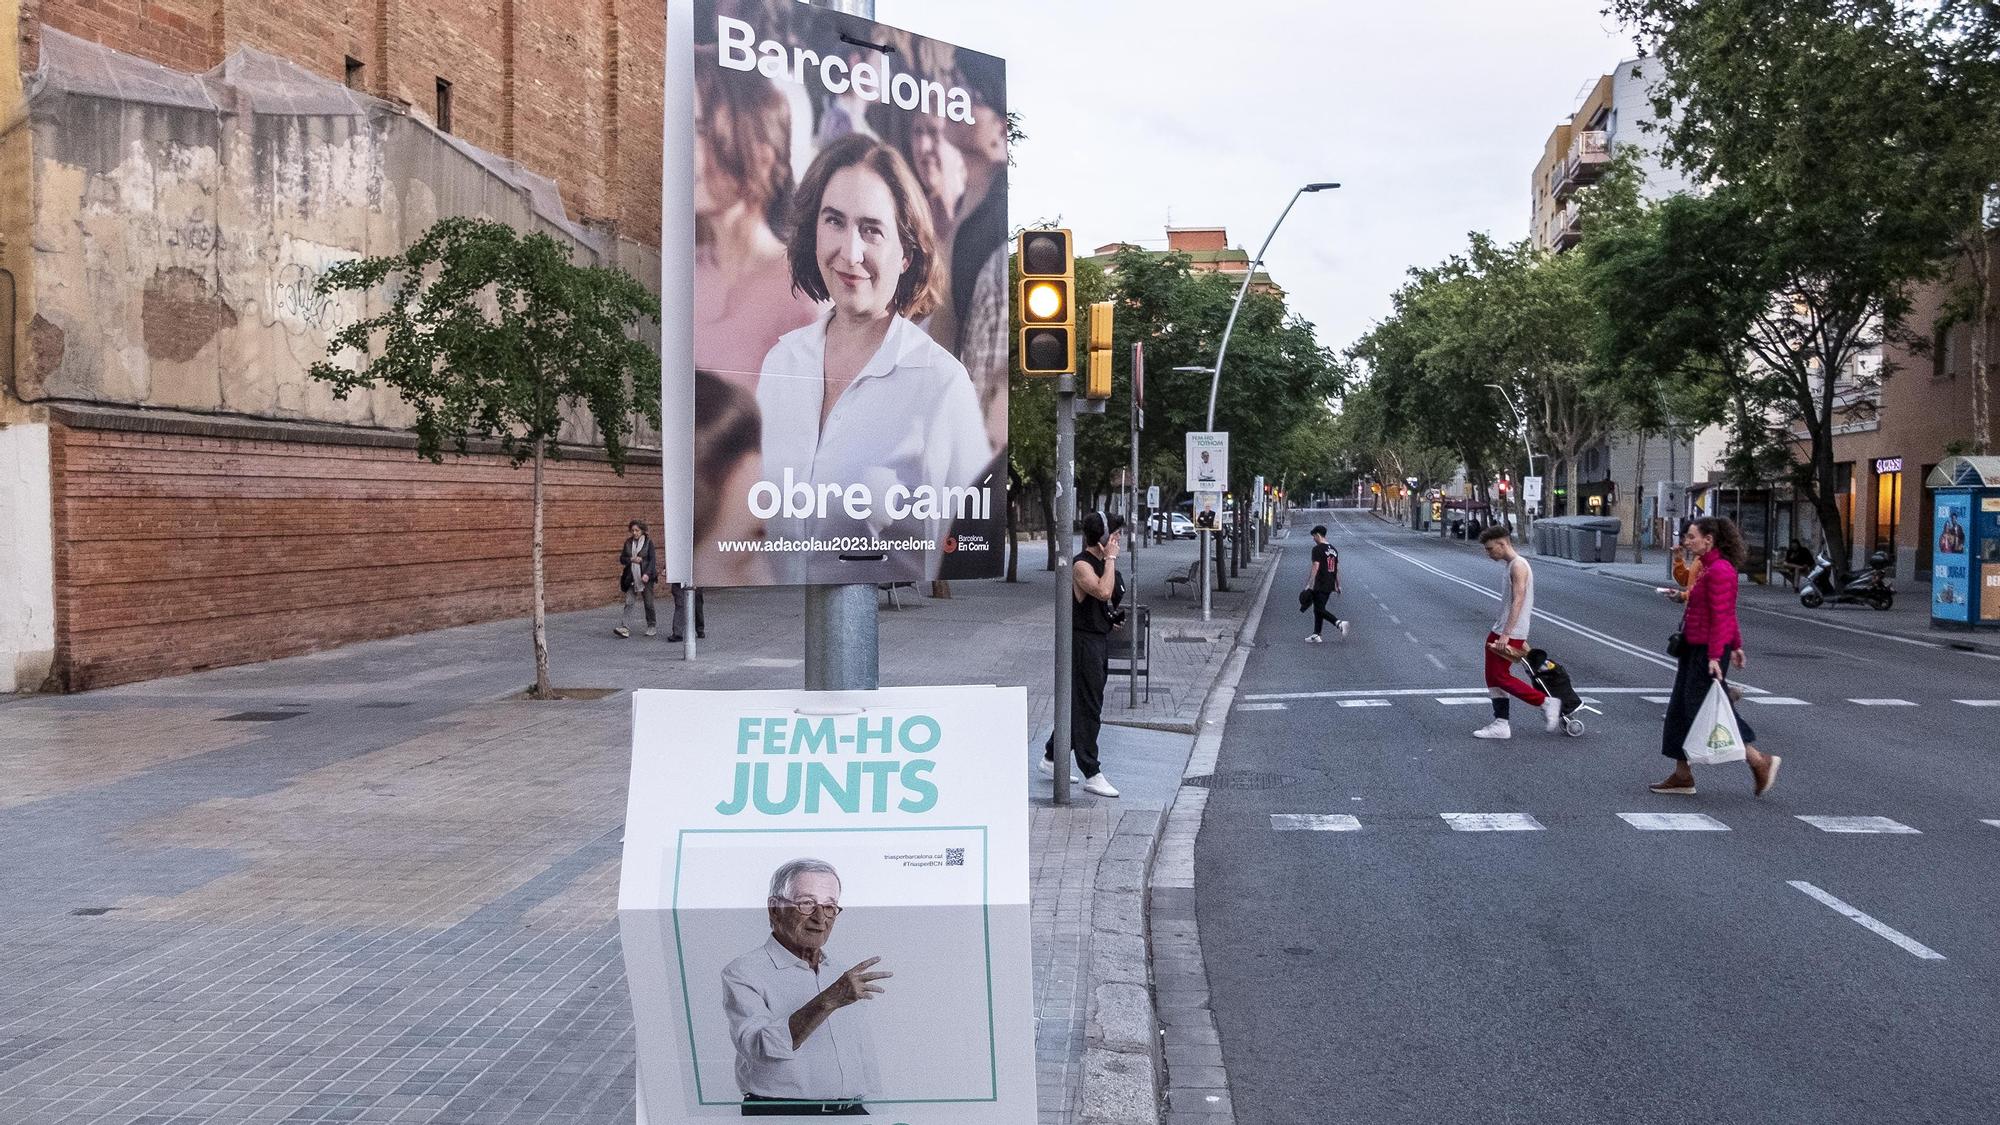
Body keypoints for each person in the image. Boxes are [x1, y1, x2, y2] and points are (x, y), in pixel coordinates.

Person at [756, 134, 992, 585]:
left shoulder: (941, 383)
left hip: (895, 631)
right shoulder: (780, 363)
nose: (850, 253)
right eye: (834, 221)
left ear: (906, 253)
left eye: (871, 229)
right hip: (780, 619)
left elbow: (967, 540)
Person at [693, 48, 822, 389]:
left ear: (760, 152)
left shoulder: (801, 294)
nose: (687, 150)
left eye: (700, 129)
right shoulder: (687, 273)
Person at [721, 859, 886, 1117]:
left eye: (830, 906)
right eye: (806, 903)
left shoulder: (840, 972)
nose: (820, 918)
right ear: (774, 909)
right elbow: (759, 1048)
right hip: (783, 1115)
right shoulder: (743, 971)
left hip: (852, 1112)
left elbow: (861, 1056)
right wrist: (828, 1000)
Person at [1653, 517, 1782, 796]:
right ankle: (1682, 775)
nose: (1687, 542)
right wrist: (1736, 645)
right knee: (1679, 709)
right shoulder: (1708, 568)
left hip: (1705, 651)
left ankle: (1759, 761)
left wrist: (1717, 654)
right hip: (1693, 647)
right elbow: (1724, 612)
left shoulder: (1720, 570)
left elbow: (1723, 616)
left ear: (1708, 540)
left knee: (1708, 709)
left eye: (1691, 537)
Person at [1042, 512, 1125, 797]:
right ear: (1102, 539)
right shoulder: (1081, 565)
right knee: (1088, 706)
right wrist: (1111, 559)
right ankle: (1091, 771)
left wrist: (1110, 619)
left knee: (1078, 704)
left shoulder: (1101, 564)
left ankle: (1052, 756)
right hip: (1082, 643)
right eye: (1114, 535)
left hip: (1097, 640)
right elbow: (1102, 592)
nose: (1118, 540)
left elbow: (1104, 602)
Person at [1472, 526, 1563, 739]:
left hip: (1508, 630)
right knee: (1492, 677)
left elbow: (1519, 599)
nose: (1488, 553)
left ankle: (1545, 702)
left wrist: (1507, 634)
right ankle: (1501, 723)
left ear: (1503, 544)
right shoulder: (1511, 565)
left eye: (1490, 548)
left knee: (1500, 677)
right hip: (1504, 628)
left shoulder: (1519, 566)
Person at [1303, 524, 1348, 642]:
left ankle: (1339, 623)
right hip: (1330, 583)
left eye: (1314, 536)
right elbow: (1337, 568)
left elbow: (1315, 566)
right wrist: (1338, 585)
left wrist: (1310, 583)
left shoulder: (1317, 549)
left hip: (1320, 582)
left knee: (1319, 609)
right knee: (1318, 608)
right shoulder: (1333, 549)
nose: (1313, 539)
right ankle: (1316, 634)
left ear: (1318, 535)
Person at [615, 521, 657, 639]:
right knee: (629, 602)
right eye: (632, 530)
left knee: (648, 603)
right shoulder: (628, 543)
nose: (635, 533)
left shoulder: (648, 542)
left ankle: (651, 625)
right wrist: (631, 559)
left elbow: (652, 560)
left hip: (645, 577)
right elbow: (622, 559)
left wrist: (647, 573)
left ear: (642, 530)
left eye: (637, 530)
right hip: (631, 576)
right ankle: (625, 627)